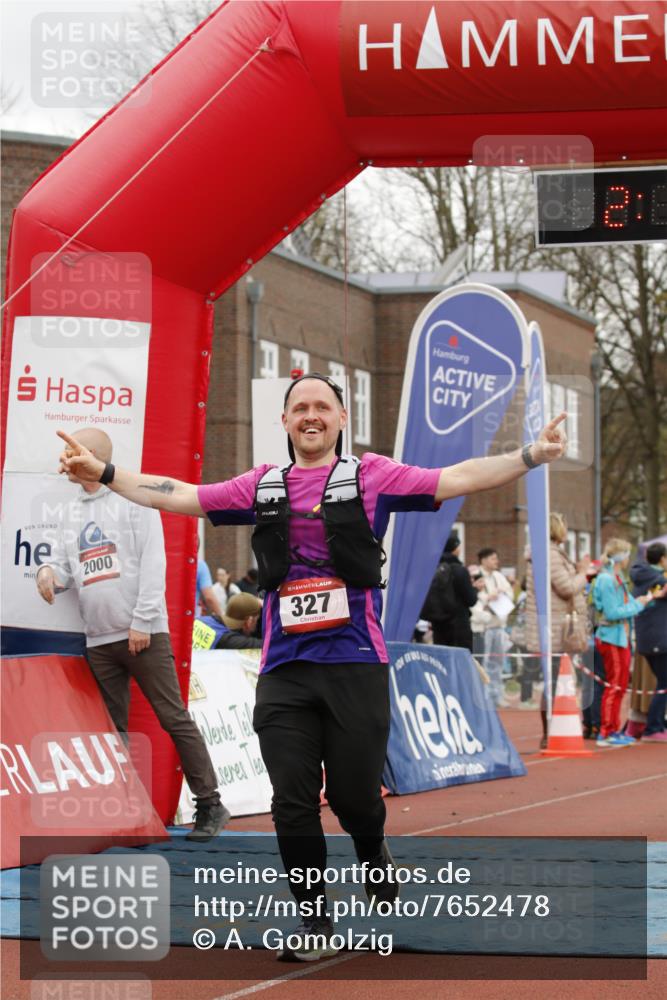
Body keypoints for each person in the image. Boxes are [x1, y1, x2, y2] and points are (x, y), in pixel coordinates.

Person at [55, 373, 568, 961]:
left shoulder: (371, 476)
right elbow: (181, 495)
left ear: (342, 419)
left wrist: (530, 456)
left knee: (353, 800)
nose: (311, 416)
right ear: (285, 422)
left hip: (355, 664)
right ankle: (315, 924)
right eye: (300, 408)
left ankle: (373, 850)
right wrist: (108, 475)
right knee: (291, 801)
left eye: (322, 406)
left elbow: (457, 478)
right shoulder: (262, 485)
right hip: (285, 670)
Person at [36, 428, 230, 841]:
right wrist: (48, 574)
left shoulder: (133, 499)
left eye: (70, 453)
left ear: (90, 456)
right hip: (98, 640)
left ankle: (210, 803)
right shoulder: (70, 511)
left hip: (142, 633)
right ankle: (125, 814)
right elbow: (68, 567)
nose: (64, 461)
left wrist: (142, 622)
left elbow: (153, 563)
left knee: (172, 717)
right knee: (112, 730)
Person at [525, 512, 591, 747]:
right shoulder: (550, 555)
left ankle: (553, 730)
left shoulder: (546, 554)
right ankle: (549, 733)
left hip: (553, 623)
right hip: (554, 626)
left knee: (556, 680)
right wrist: (583, 573)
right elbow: (565, 587)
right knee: (556, 680)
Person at [593, 538, 654, 747]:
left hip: (621, 637)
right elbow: (612, 612)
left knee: (619, 686)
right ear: (621, 557)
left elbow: (626, 604)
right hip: (611, 637)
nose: (629, 559)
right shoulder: (607, 580)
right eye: (627, 554)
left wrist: (642, 602)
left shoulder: (617, 578)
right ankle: (606, 731)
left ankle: (613, 729)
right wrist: (639, 604)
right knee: (614, 686)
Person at [630, 542, 667, 742]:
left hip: (651, 637)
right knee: (664, 683)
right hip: (657, 638)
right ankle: (653, 727)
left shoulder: (646, 577)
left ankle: (658, 722)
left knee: (663, 682)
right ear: (662, 558)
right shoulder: (655, 579)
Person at [421, 532, 481, 651]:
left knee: (442, 663)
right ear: (454, 548)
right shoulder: (459, 570)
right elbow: (471, 600)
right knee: (460, 665)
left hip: (439, 625)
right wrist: (475, 589)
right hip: (459, 626)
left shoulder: (432, 569)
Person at [472, 548, 514, 707]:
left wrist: (502, 593)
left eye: (496, 558)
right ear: (483, 560)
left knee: (497, 662)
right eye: (492, 559)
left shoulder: (498, 576)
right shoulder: (476, 574)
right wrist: (489, 598)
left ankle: (497, 695)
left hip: (498, 624)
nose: (495, 562)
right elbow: (474, 596)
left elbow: (510, 593)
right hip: (484, 627)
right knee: (484, 662)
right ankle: (485, 696)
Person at [193, 593, 263, 651]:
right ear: (249, 621)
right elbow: (267, 645)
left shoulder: (201, 620)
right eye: (256, 620)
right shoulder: (228, 640)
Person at [195, 543, 223, 619]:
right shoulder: (199, 565)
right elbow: (209, 598)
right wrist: (223, 620)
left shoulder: (167, 562)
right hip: (189, 622)